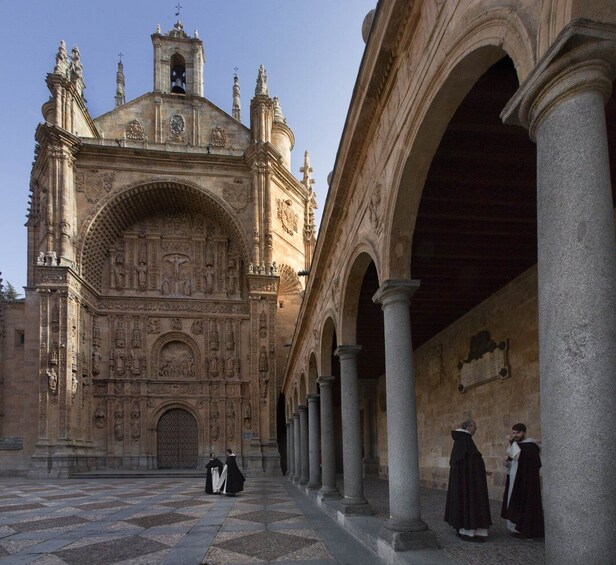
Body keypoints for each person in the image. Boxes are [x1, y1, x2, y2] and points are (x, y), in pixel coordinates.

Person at [444, 419, 492, 542]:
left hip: (468, 480)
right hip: (469, 483)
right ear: (469, 427)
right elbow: (467, 463)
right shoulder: (464, 440)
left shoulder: (463, 440)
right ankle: (467, 532)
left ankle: (462, 529)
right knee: (469, 502)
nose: (476, 429)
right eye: (474, 426)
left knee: (464, 502)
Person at [501, 423, 545, 539]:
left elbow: (521, 457)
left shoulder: (531, 445)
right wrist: (507, 463)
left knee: (526, 504)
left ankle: (527, 531)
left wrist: (511, 443)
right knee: (515, 502)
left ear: (524, 432)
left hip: (527, 482)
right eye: (514, 433)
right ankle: (515, 528)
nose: (515, 435)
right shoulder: (516, 444)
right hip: (516, 479)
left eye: (518, 433)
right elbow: (514, 460)